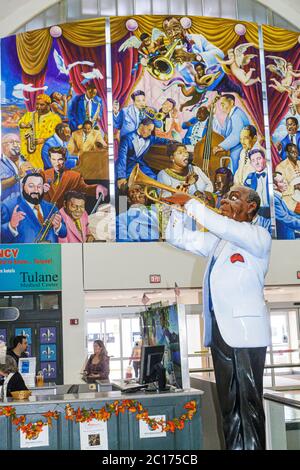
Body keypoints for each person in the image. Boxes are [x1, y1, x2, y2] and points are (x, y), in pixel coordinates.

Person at [166, 185, 272, 450]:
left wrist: (191, 203)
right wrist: (177, 211)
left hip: (246, 333)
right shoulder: (219, 242)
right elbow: (177, 238)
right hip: (221, 332)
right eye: (226, 196)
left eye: (235, 198)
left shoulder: (257, 235)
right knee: (229, 405)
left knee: (248, 405)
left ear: (251, 208)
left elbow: (225, 227)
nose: (225, 200)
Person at [1, 172, 67, 243]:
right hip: (24, 253)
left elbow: (63, 233)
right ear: (23, 186)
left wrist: (58, 226)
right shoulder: (8, 206)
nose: (36, 190)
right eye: (31, 186)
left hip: (49, 253)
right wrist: (11, 226)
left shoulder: (51, 207)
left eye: (39, 186)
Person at [42, 146, 107, 209]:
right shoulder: (44, 175)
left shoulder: (74, 176)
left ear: (65, 159)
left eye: (60, 160)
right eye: (53, 159)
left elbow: (85, 189)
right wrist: (41, 190)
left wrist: (96, 188)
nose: (57, 163)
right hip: (46, 215)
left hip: (65, 215)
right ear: (50, 159)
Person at [116, 118, 170, 189]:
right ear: (141, 126)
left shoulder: (150, 138)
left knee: (154, 179)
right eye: (149, 130)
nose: (150, 133)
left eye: (151, 131)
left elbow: (161, 140)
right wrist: (121, 177)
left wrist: (173, 142)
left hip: (141, 166)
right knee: (124, 189)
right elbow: (122, 158)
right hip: (127, 167)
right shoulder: (126, 138)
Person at [18, 94, 62, 169]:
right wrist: (24, 125)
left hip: (44, 151)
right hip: (28, 150)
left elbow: (57, 136)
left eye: (42, 105)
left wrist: (44, 140)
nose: (38, 107)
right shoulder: (29, 115)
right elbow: (20, 123)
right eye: (37, 104)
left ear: (49, 105)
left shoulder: (55, 118)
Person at [213, 94, 250, 174]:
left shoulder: (236, 115)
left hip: (239, 149)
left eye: (223, 104)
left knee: (234, 170)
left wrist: (222, 146)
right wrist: (213, 117)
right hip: (234, 148)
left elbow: (236, 135)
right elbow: (223, 133)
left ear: (232, 102)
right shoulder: (230, 115)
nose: (221, 107)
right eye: (220, 104)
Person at [0, 133, 34, 202]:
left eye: (17, 142)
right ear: (3, 146)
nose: (16, 145)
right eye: (12, 142)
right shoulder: (1, 162)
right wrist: (17, 176)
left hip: (25, 205)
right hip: (7, 207)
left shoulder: (24, 161)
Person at [273, 171, 300, 239]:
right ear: (274, 186)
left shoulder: (278, 198)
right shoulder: (275, 199)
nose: (285, 182)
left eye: (284, 180)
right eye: (282, 181)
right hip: (285, 238)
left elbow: (289, 213)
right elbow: (286, 218)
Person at [244, 149, 270, 218]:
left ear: (264, 159)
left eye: (259, 159)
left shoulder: (271, 175)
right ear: (251, 163)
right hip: (256, 211)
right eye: (253, 160)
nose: (256, 163)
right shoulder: (250, 177)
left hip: (272, 210)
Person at [275, 143, 300, 212]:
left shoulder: (299, 163)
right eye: (292, 152)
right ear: (287, 153)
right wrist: (295, 187)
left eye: (296, 152)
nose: (295, 154)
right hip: (291, 199)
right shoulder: (281, 167)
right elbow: (282, 189)